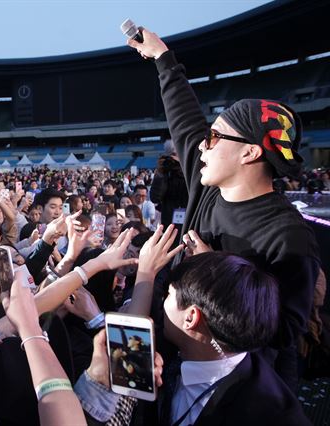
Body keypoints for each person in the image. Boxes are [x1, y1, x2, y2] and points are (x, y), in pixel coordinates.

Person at [128, 27, 320, 390]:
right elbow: (185, 122)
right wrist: (163, 58)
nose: (202, 146)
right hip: (178, 364)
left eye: (214, 137)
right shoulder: (206, 187)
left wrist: (216, 277)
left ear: (250, 152)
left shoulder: (289, 235)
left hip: (232, 389)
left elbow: (286, 331)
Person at [160, 252, 310, 426]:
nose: (162, 300)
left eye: (169, 294)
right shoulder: (164, 356)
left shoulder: (272, 416)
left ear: (191, 317)